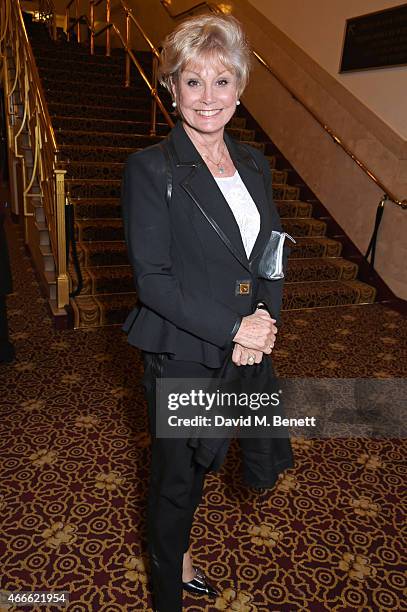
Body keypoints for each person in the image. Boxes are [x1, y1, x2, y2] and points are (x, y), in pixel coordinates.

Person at [121, 14, 293, 612]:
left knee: (206, 465)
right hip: (186, 354)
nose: (208, 97)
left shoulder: (253, 164)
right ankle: (167, 592)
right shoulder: (151, 169)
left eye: (222, 81)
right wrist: (233, 327)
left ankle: (185, 555)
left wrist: (264, 324)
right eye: (192, 82)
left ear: (241, 87)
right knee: (175, 481)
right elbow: (154, 282)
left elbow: (269, 253)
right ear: (171, 89)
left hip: (247, 345)